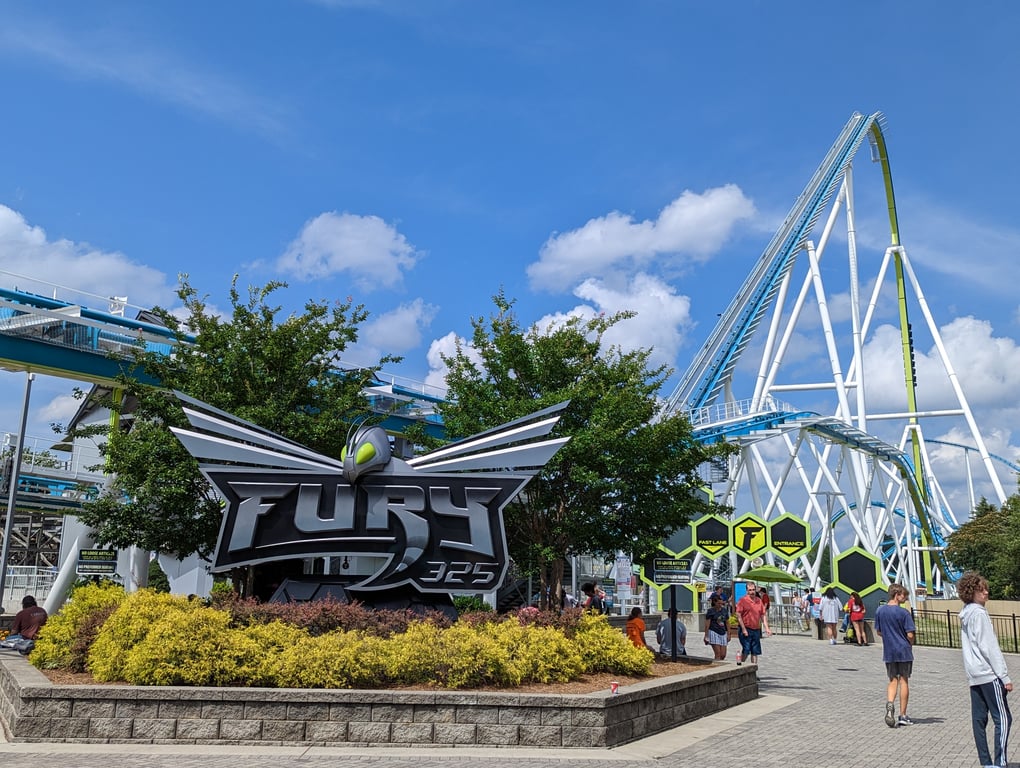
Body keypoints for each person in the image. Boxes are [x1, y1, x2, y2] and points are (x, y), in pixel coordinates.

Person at [958, 571, 1012, 768]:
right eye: (982, 590)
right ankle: (1000, 762)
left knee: (979, 720)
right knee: (1004, 718)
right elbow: (989, 646)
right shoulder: (979, 614)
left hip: (974, 674)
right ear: (972, 592)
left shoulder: (966, 613)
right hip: (988, 674)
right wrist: (1004, 676)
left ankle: (986, 762)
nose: (986, 593)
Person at [874, 582, 916, 727]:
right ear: (897, 595)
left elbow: (879, 631)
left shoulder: (880, 611)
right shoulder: (904, 613)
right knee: (904, 681)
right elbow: (910, 634)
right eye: (903, 595)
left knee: (893, 680)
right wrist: (910, 643)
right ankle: (903, 715)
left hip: (889, 650)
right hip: (903, 650)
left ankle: (890, 703)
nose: (905, 598)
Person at [735, 582, 770, 665]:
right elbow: (738, 615)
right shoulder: (742, 600)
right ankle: (740, 665)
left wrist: (767, 628)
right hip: (746, 628)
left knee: (755, 651)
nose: (752, 592)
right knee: (746, 649)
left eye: (753, 590)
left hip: (756, 629)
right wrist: (743, 629)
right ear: (747, 591)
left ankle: (754, 669)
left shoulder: (759, 601)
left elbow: (762, 615)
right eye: (750, 590)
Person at [703, 593, 730, 660]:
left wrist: (729, 633)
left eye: (721, 604)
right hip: (714, 631)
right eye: (719, 603)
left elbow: (727, 622)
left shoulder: (724, 610)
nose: (720, 605)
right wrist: (706, 635)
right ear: (715, 603)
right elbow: (707, 624)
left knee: (723, 655)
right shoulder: (711, 611)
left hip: (723, 632)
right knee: (718, 654)